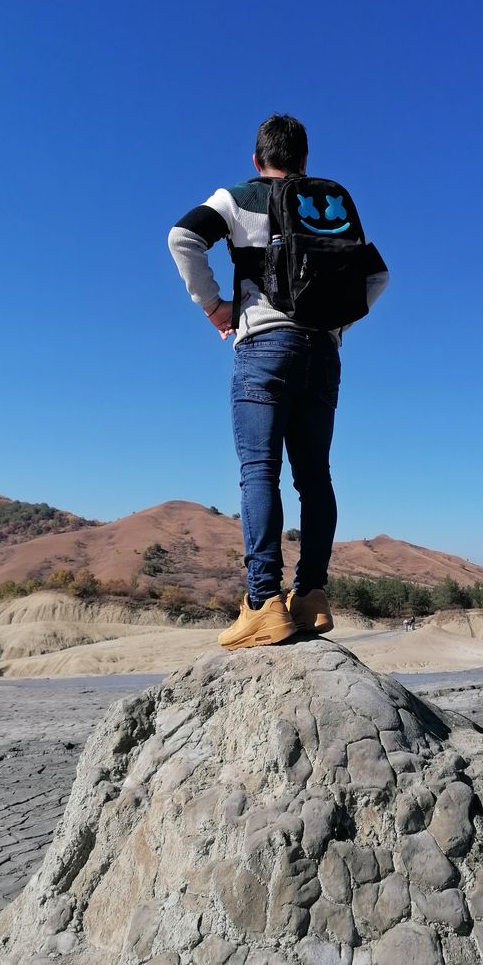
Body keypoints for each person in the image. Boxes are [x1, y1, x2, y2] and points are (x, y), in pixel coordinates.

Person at [168, 114, 388, 649]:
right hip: (323, 354)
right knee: (315, 477)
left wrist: (214, 306)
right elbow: (377, 275)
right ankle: (310, 596)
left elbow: (183, 237)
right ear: (304, 160)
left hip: (264, 346)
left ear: (257, 158)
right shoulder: (328, 204)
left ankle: (264, 602)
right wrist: (335, 326)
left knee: (259, 470)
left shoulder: (238, 197)